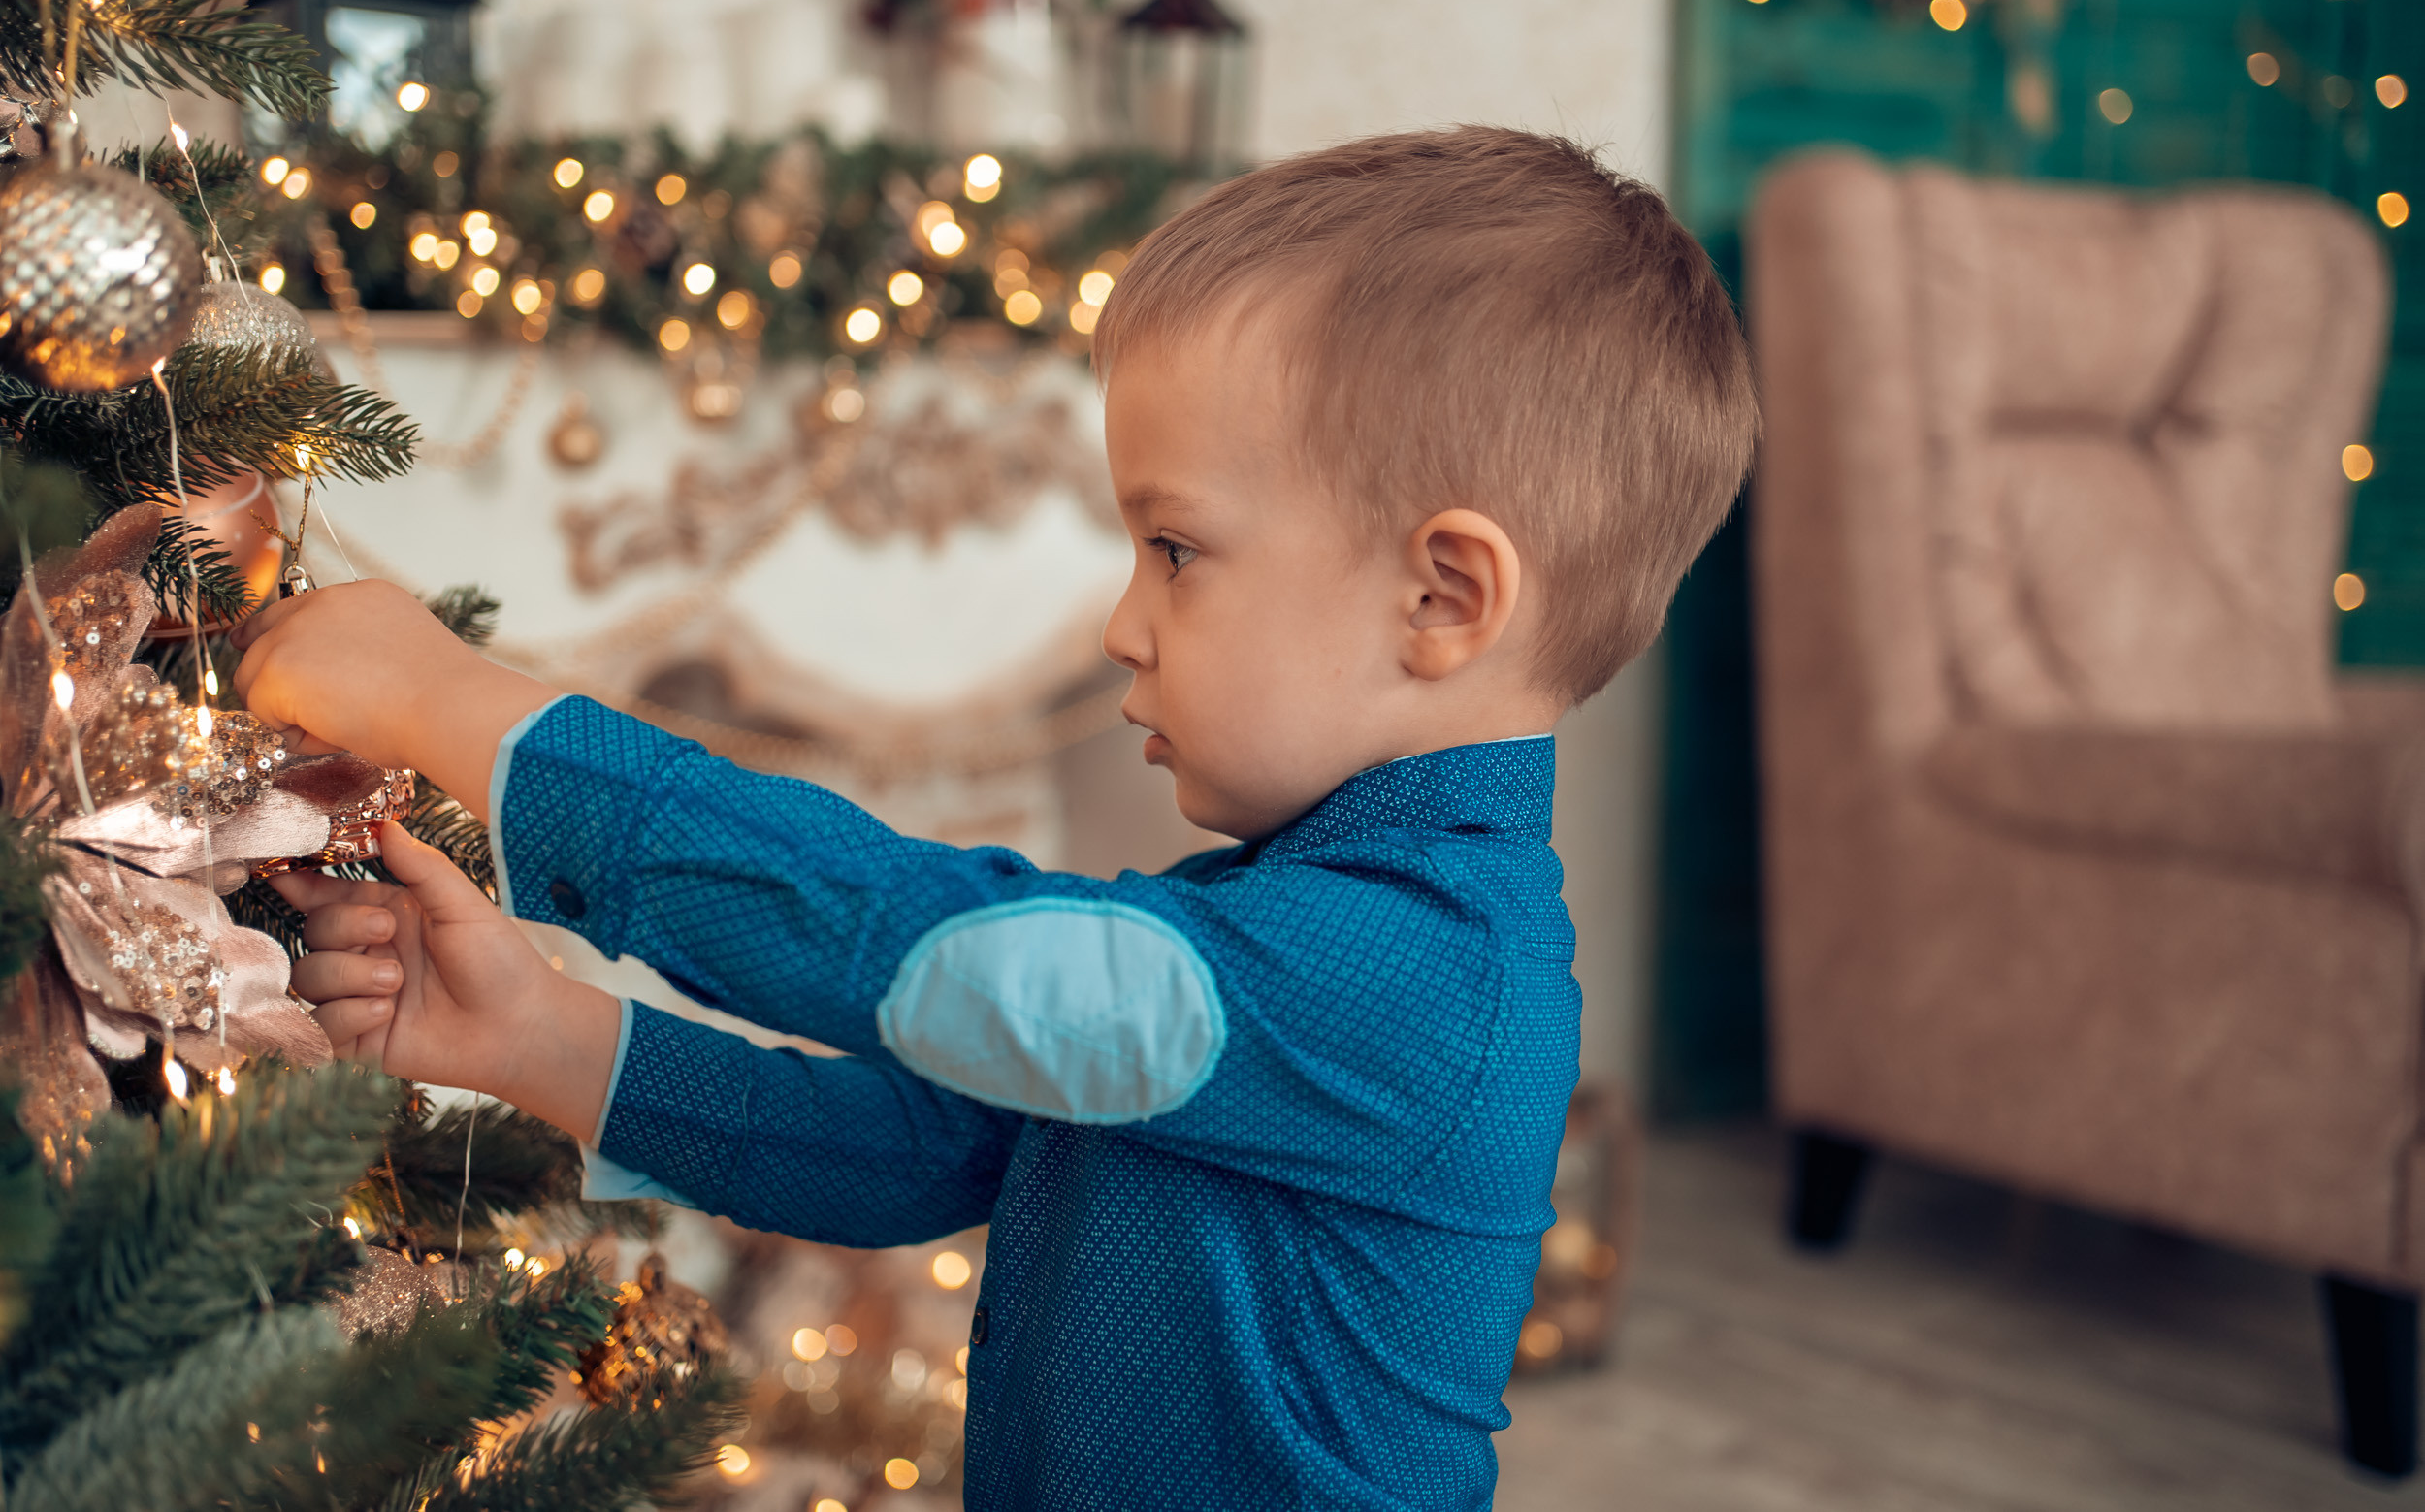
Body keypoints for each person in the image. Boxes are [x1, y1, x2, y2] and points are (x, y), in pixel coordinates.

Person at [233, 125, 1757, 1509]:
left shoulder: (1420, 973)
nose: (1123, 623)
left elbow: (950, 957)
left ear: (1443, 597)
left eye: (1176, 549)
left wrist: (470, 711)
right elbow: (917, 1153)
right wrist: (542, 1042)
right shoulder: (1275, 916)